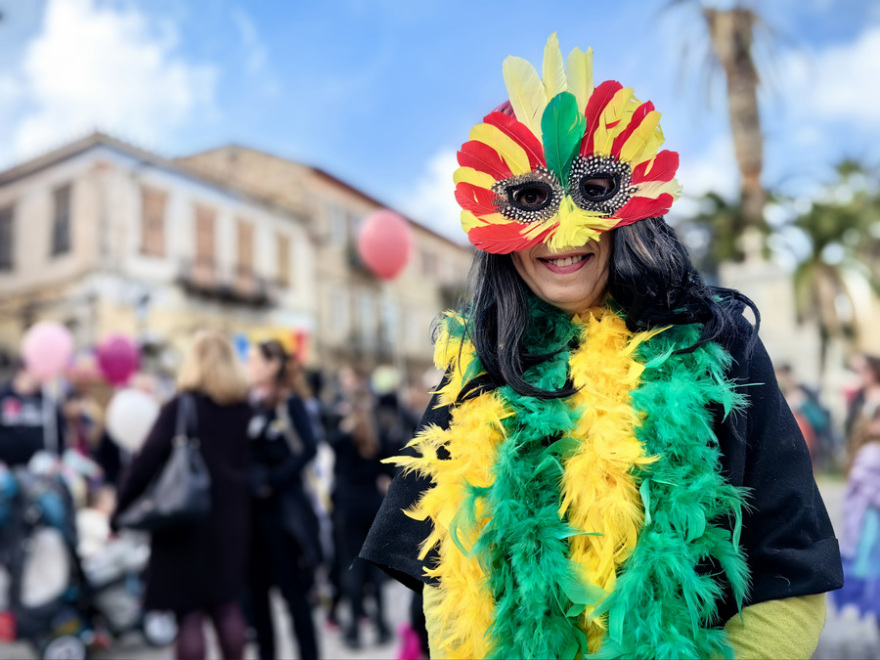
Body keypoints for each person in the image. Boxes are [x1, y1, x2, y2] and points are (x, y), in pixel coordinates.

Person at [361, 34, 843, 660]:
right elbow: (446, 583)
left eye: (593, 189)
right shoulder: (479, 370)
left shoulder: (719, 349)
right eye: (531, 197)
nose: (564, 230)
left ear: (633, 207)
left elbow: (789, 570)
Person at [112, 332, 251, 660]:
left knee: (188, 614)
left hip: (184, 519)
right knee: (227, 605)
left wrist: (120, 509)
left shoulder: (180, 407)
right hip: (232, 523)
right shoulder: (244, 410)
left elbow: (143, 463)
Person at [246, 340, 320, 660]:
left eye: (254, 359)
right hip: (253, 517)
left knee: (294, 597)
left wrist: (273, 480)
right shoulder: (250, 404)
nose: (249, 365)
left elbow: (309, 447)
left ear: (273, 364)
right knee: (257, 598)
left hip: (285, 517)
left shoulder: (289, 403)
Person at [329, 383, 394, 648]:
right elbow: (393, 469)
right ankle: (380, 626)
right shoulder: (379, 438)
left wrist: (345, 422)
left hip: (347, 509)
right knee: (374, 569)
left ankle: (355, 628)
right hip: (372, 507)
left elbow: (328, 448)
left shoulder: (342, 439)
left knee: (351, 568)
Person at [834, 400, 880, 620]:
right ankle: (862, 603)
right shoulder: (871, 452)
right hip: (869, 519)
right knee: (866, 562)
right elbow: (863, 482)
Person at [0, 361, 65, 467]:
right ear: (23, 369)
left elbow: (59, 436)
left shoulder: (48, 400)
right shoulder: (3, 395)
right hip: (5, 467)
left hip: (41, 469)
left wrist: (57, 458)